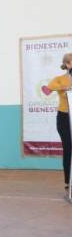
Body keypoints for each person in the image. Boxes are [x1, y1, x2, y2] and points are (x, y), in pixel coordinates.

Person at [46, 53, 72, 193]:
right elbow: (50, 86)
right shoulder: (60, 79)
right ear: (67, 64)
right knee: (68, 148)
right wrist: (65, 87)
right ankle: (68, 181)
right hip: (64, 118)